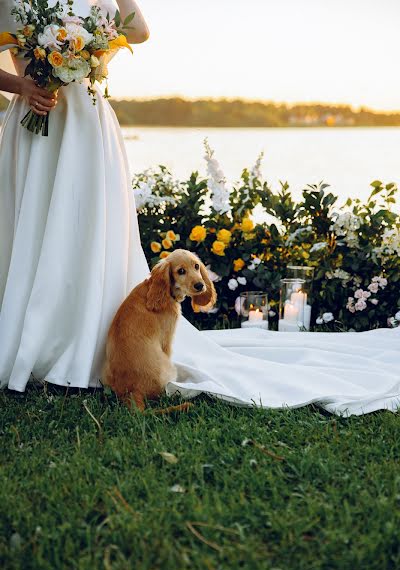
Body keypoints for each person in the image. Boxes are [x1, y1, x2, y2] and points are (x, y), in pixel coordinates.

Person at [1, 0, 399, 417]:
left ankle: (88, 351)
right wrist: (21, 85)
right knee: (34, 229)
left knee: (89, 234)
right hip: (35, 123)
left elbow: (137, 30)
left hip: (88, 123)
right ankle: (31, 343)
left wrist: (92, 47)